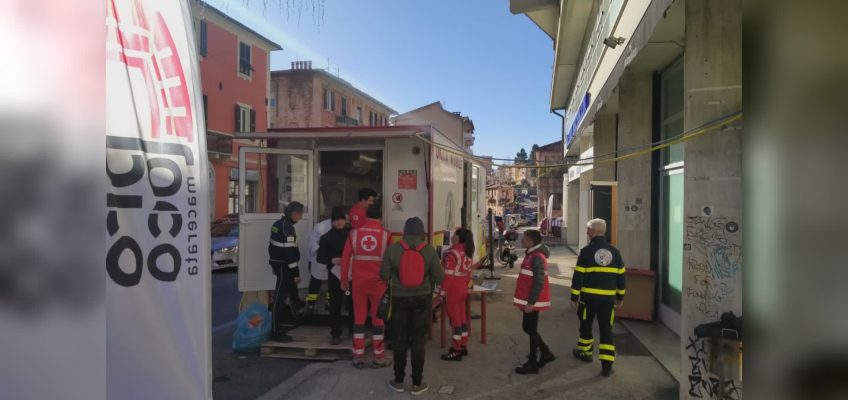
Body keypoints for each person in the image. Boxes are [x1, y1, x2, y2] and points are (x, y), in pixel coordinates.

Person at [381, 217, 443, 395]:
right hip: (422, 299)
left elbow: (384, 274)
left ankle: (398, 381)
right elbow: (440, 277)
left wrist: (396, 275)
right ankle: (417, 383)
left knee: (399, 340)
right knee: (418, 341)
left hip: (399, 299)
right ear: (422, 232)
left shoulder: (393, 249)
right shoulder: (429, 250)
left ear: (405, 231)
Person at [570, 218, 626, 377]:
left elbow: (578, 276)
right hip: (608, 300)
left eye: (588, 230)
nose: (587, 232)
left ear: (594, 232)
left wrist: (574, 297)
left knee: (586, 325)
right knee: (606, 330)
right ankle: (607, 366)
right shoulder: (615, 252)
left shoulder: (586, 251)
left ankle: (586, 353)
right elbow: (621, 276)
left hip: (589, 299)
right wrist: (620, 296)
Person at [341, 204, 392, 369]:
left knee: (359, 319)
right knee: (378, 320)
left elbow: (345, 259)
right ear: (380, 218)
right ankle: (379, 356)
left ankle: (358, 355)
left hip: (358, 284)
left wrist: (344, 281)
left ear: (365, 217)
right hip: (379, 284)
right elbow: (390, 262)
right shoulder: (386, 235)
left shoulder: (353, 234)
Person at [512, 229, 556, 374]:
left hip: (532, 301)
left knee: (530, 329)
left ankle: (532, 363)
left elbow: (539, 281)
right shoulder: (532, 254)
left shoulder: (536, 257)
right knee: (529, 328)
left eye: (524, 239)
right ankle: (545, 352)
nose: (522, 241)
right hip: (529, 300)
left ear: (531, 242)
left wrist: (531, 302)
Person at [268, 201, 306, 342]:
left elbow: (272, 247)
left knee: (290, 292)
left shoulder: (277, 224)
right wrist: (295, 273)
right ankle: (275, 331)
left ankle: (297, 306)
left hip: (279, 264)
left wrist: (273, 263)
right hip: (285, 267)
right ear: (294, 214)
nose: (301, 217)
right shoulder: (288, 228)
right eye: (301, 214)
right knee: (279, 297)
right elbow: (290, 253)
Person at [316, 206, 353, 345]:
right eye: (336, 220)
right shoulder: (326, 237)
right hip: (334, 276)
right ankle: (335, 333)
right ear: (332, 221)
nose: (339, 222)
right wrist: (332, 260)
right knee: (335, 304)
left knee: (351, 302)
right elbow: (320, 257)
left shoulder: (351, 235)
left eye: (342, 219)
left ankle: (352, 330)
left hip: (350, 275)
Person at [439, 228, 475, 361]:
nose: (453, 236)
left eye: (455, 235)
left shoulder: (452, 254)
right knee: (462, 318)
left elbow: (448, 277)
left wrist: (442, 293)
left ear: (459, 238)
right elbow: (469, 274)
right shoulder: (468, 252)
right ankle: (463, 344)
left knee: (455, 321)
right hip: (463, 289)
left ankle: (456, 349)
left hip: (453, 291)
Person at [305, 212, 335, 314]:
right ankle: (310, 303)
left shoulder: (341, 226)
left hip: (332, 260)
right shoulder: (320, 227)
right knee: (315, 283)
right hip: (318, 259)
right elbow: (312, 244)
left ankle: (330, 303)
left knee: (332, 283)